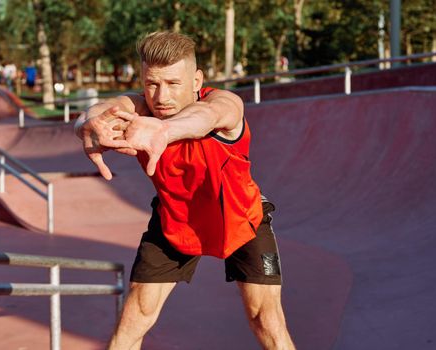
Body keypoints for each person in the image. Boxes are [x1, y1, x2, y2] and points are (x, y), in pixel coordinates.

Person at [74, 31, 295, 350]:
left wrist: (165, 130)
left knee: (266, 321)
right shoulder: (141, 110)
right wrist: (86, 123)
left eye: (173, 84)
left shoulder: (223, 104)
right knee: (133, 318)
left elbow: (208, 116)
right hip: (175, 221)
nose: (161, 96)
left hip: (242, 220)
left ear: (196, 80)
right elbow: (106, 109)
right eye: (152, 83)